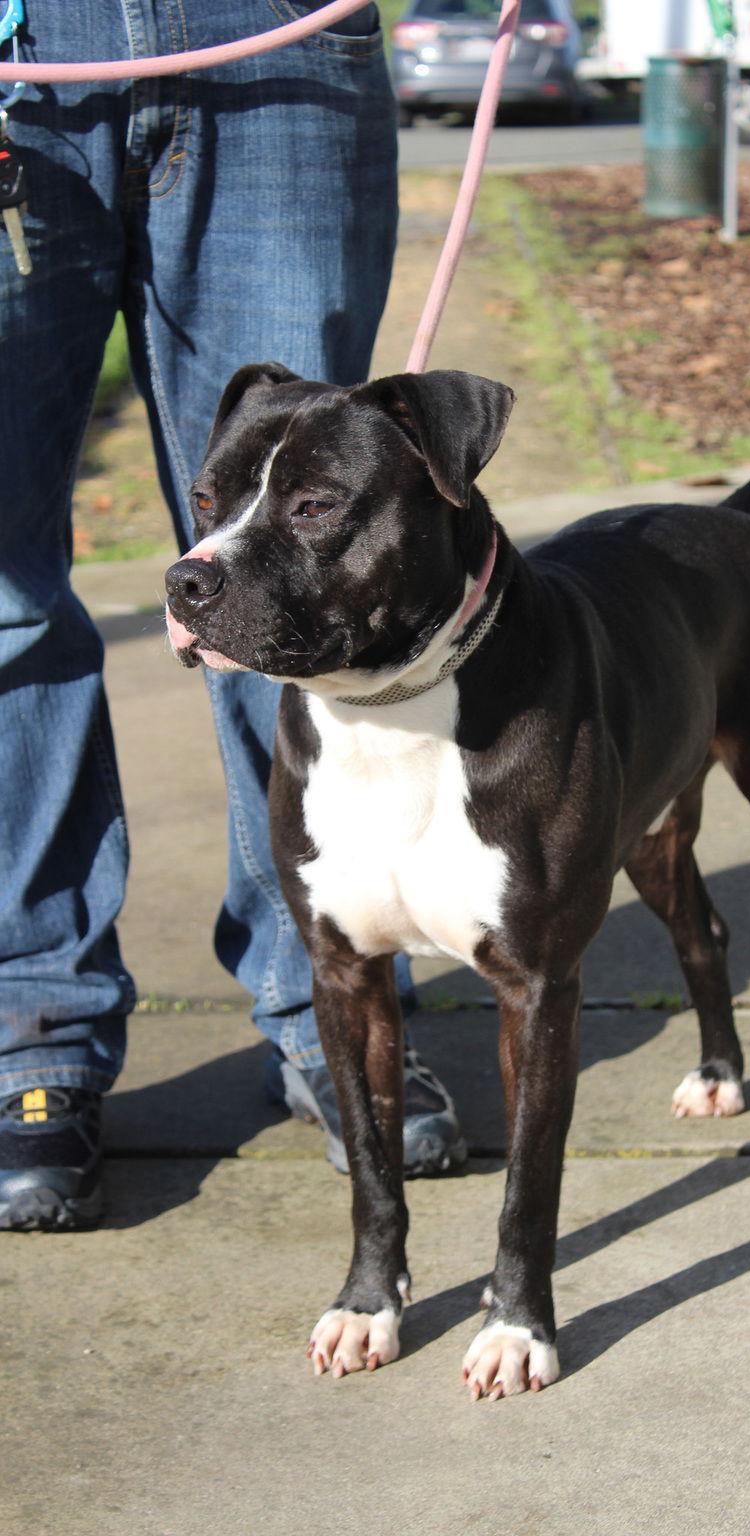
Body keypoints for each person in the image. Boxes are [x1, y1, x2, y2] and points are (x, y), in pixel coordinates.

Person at [0, 0, 466, 1232]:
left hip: (274, 41)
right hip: (17, 44)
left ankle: (333, 998)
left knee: (295, 573)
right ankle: (32, 1032)